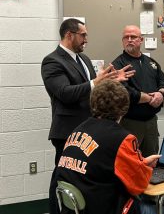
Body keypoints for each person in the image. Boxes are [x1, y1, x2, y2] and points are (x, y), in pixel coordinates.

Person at [41, 18, 135, 214]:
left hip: (89, 130)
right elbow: (65, 93)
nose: (86, 39)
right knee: (63, 176)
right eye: (83, 35)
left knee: (85, 178)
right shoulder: (52, 61)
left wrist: (109, 80)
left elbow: (91, 88)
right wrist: (95, 81)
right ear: (69, 35)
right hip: (67, 133)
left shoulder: (82, 59)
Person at [56, 79, 161, 214]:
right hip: (103, 206)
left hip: (77, 208)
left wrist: (140, 162)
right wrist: (145, 167)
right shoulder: (122, 139)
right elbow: (138, 185)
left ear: (92, 102)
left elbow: (102, 162)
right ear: (124, 108)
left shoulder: (77, 131)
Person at [112, 25, 164, 158]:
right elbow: (124, 92)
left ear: (141, 40)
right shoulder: (118, 65)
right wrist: (150, 98)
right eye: (126, 37)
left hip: (151, 123)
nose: (129, 40)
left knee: (151, 163)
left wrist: (161, 94)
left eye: (133, 37)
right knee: (130, 165)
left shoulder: (151, 63)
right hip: (130, 123)